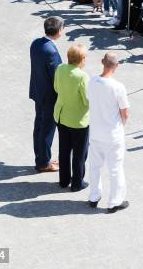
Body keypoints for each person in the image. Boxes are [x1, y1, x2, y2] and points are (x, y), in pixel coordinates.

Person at [87, 52, 130, 213]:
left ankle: (93, 196)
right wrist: (121, 125)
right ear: (116, 66)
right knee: (115, 168)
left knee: (94, 167)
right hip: (113, 134)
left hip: (95, 132)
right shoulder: (118, 87)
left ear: (102, 62)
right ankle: (114, 201)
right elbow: (125, 113)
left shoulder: (92, 82)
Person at [29, 16, 64, 172]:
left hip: (38, 91)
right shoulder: (51, 51)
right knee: (47, 129)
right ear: (59, 31)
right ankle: (43, 162)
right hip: (49, 96)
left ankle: (41, 157)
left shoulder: (36, 43)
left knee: (39, 126)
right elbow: (57, 77)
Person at [54, 44, 90, 191]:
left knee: (63, 151)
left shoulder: (60, 68)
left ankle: (63, 180)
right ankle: (77, 183)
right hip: (78, 121)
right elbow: (87, 100)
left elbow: (56, 87)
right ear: (81, 59)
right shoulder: (82, 76)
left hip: (61, 116)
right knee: (79, 154)